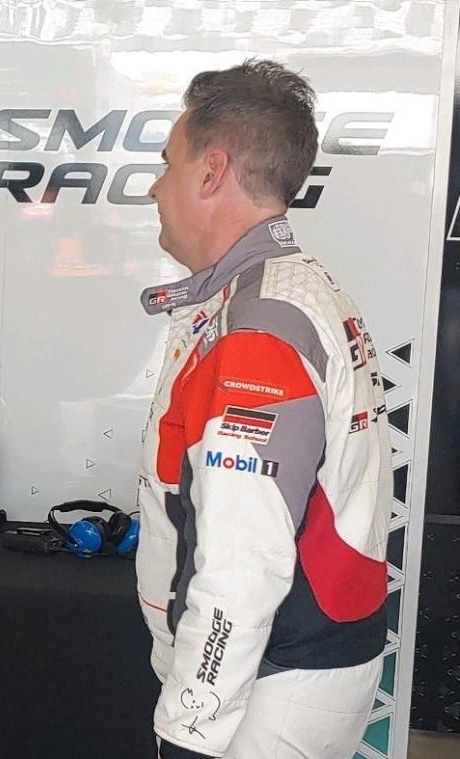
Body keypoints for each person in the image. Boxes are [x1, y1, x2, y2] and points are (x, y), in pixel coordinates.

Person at [136, 60, 391, 759]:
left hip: (271, 681)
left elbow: (243, 565)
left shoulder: (257, 326)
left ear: (212, 171)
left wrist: (192, 727)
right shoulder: (288, 290)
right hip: (301, 662)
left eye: (166, 164)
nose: (156, 187)